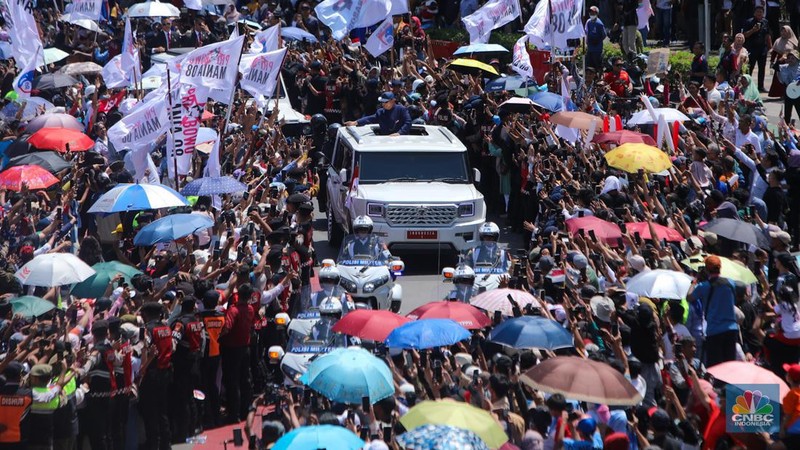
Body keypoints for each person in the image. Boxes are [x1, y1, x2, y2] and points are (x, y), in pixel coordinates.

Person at [687, 256, 739, 367]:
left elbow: (689, 297)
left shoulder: (703, 286)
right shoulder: (730, 283)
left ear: (706, 270)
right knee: (730, 366)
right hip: (732, 329)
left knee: (715, 368)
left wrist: (694, 281)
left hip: (714, 331)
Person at [345, 92, 412, 135]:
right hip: (384, 141)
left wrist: (399, 133)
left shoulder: (401, 109)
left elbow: (408, 122)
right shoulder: (380, 112)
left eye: (386, 102)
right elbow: (370, 118)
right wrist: (356, 122)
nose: (383, 104)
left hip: (401, 140)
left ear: (393, 101)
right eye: (382, 102)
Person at [742, 6, 772, 92]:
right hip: (752, 48)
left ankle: (761, 87)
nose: (759, 13)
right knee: (749, 68)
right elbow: (745, 35)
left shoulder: (765, 22)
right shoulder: (749, 22)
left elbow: (767, 35)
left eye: (761, 12)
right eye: (758, 12)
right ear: (754, 13)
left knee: (762, 69)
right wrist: (753, 30)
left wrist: (770, 47)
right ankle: (747, 86)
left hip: (762, 49)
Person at [779, 50, 800, 124]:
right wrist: (780, 60)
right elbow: (775, 67)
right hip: (788, 93)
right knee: (787, 114)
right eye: (789, 58)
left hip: (798, 94)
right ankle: (786, 131)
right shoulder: (784, 67)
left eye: (793, 58)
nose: (790, 60)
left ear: (797, 59)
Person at [584, 7, 606, 72]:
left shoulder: (599, 24)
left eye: (593, 12)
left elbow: (604, 35)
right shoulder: (589, 22)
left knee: (597, 66)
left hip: (597, 49)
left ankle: (599, 78)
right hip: (590, 48)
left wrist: (597, 40)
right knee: (589, 66)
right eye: (590, 12)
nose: (591, 14)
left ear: (596, 13)